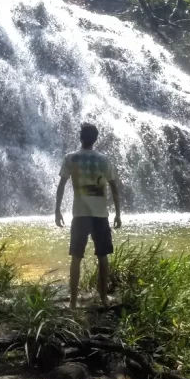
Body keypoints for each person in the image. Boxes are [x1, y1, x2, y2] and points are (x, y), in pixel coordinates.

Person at [55, 123, 122, 308]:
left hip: (80, 215)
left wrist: (57, 210)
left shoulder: (71, 158)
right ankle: (103, 298)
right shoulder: (103, 160)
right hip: (100, 215)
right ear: (96, 138)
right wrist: (118, 214)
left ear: (80, 137)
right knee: (103, 256)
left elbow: (61, 186)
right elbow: (114, 188)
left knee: (76, 256)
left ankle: (74, 302)